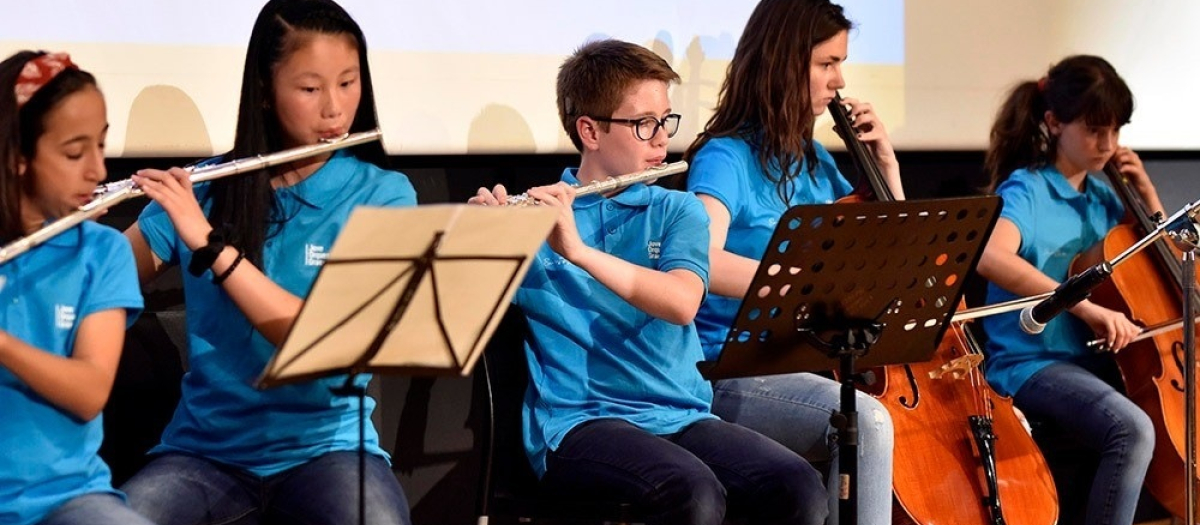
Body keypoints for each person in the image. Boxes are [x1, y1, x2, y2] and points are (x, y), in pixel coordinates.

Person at [470, 39, 827, 525]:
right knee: (693, 491)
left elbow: (682, 302)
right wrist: (475, 241)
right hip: (581, 423)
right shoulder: (535, 219)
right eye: (644, 124)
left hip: (681, 415)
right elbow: (452, 316)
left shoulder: (677, 211)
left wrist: (579, 252)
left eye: (665, 121)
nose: (661, 139)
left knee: (797, 484)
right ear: (590, 131)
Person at [118, 1, 416, 524]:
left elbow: (328, 341)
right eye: (310, 88)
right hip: (204, 453)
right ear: (263, 90)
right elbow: (96, 282)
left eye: (348, 83)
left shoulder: (382, 194)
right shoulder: (206, 189)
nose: (334, 109)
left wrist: (213, 247)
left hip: (330, 450)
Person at [676, 1, 896, 522]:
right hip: (730, 368)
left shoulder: (815, 159)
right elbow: (700, 259)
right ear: (782, 62)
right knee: (870, 423)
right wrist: (803, 280)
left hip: (805, 362)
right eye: (826, 63)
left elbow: (885, 251)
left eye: (840, 63)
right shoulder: (726, 156)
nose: (839, 81)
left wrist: (885, 163)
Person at [976, 54, 1159, 525]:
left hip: (1099, 362)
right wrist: (1082, 306)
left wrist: (1148, 202)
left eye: (1116, 130)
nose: (1109, 145)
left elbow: (1156, 268)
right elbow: (989, 256)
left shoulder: (1102, 199)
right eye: (1096, 130)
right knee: (1133, 428)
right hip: (1032, 362)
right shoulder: (1028, 190)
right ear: (1055, 122)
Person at [0, 51, 153, 525]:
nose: (98, 171)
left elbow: (90, 391)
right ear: (17, 157)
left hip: (66, 502)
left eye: (100, 147)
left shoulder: (101, 253)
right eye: (74, 153)